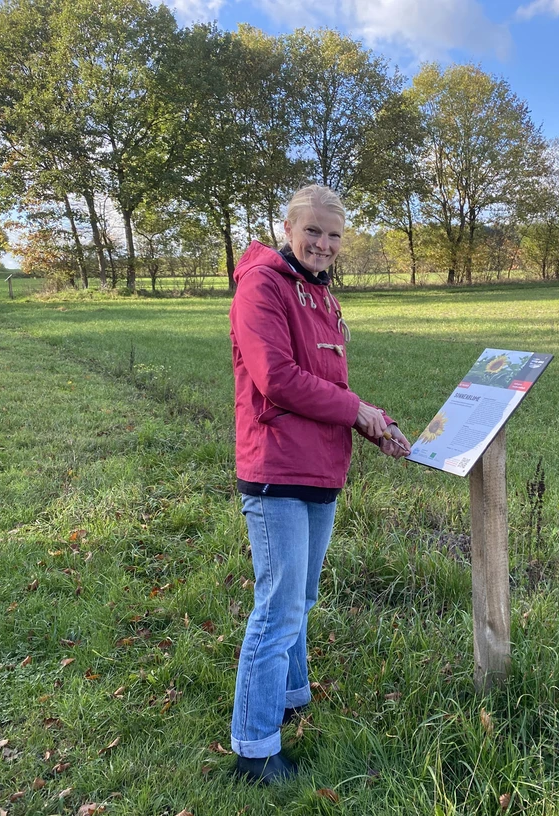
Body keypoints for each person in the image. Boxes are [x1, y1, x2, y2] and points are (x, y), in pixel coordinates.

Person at [227, 184, 411, 785]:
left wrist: (372, 424)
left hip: (321, 468)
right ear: (287, 227)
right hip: (276, 469)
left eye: (334, 235)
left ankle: (290, 698)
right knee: (277, 610)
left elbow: (330, 389)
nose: (323, 244)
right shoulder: (263, 286)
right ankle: (254, 751)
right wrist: (356, 410)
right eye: (313, 231)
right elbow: (277, 378)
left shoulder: (322, 296)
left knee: (300, 600)